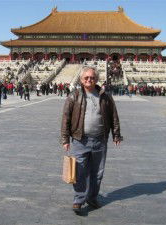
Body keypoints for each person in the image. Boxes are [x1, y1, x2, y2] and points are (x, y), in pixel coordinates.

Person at [61, 66, 122, 213]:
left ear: (97, 79)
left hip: (100, 140)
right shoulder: (74, 95)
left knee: (97, 172)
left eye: (92, 77)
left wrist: (116, 134)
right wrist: (65, 138)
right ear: (81, 80)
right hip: (79, 139)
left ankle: (92, 197)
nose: (89, 80)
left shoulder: (105, 95)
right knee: (79, 171)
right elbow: (66, 117)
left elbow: (114, 115)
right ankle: (79, 199)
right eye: (86, 78)